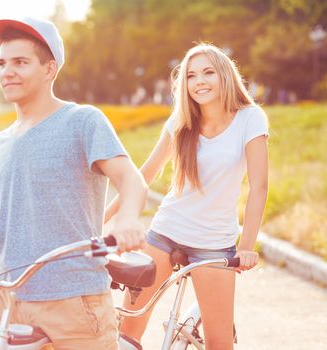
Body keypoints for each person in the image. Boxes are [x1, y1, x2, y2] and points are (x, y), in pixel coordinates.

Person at [0, 17, 147, 349]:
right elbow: (6, 226)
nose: (7, 72)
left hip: (75, 301)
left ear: (50, 70)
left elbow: (131, 179)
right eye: (2, 63)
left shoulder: (82, 121)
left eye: (20, 62)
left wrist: (129, 219)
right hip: (8, 300)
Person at [105, 43, 269, 349]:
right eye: (191, 76)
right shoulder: (181, 119)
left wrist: (246, 247)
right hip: (165, 233)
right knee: (125, 333)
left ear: (224, 75)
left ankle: (196, 325)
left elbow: (259, 186)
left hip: (214, 243)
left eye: (208, 73)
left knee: (219, 344)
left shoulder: (250, 118)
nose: (199, 81)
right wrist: (102, 219)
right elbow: (145, 175)